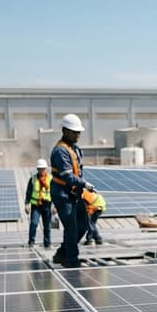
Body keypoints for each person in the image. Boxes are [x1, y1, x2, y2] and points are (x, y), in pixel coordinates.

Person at [50, 113, 94, 268]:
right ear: (64, 131)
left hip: (74, 194)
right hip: (62, 195)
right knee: (71, 228)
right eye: (74, 132)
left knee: (84, 225)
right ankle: (71, 261)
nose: (78, 135)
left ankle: (62, 253)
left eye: (79, 132)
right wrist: (85, 184)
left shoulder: (75, 149)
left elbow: (78, 171)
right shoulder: (60, 151)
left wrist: (82, 186)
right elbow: (67, 176)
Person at [24, 158, 53, 248]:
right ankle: (31, 241)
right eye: (40, 169)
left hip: (47, 205)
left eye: (43, 168)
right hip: (36, 205)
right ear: (37, 169)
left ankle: (47, 243)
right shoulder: (32, 179)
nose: (42, 171)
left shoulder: (51, 179)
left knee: (47, 226)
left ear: (46, 169)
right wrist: (26, 204)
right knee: (34, 223)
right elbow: (28, 192)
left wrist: (55, 206)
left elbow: (54, 193)